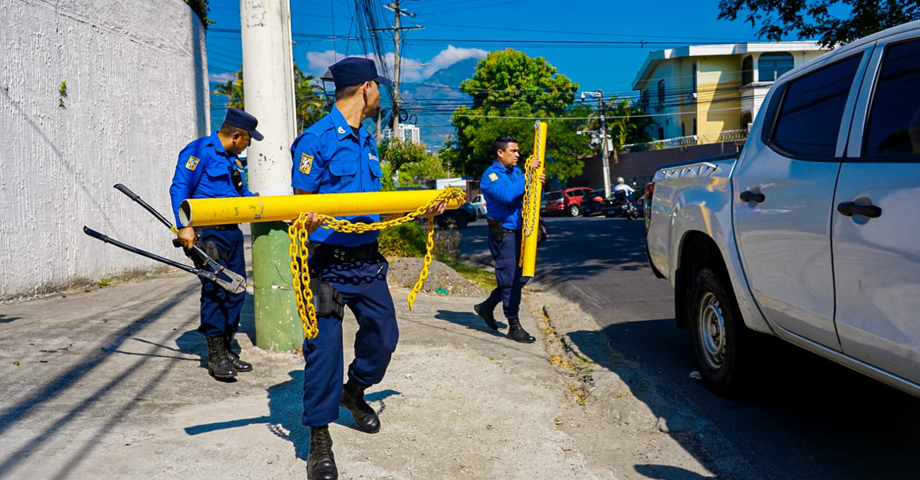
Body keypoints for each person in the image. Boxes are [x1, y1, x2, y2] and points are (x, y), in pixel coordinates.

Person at [289, 56, 444, 480]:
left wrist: (425, 206)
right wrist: (308, 216)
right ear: (366, 89)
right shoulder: (315, 140)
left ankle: (353, 392)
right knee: (324, 352)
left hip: (366, 263)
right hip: (325, 264)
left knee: (384, 336)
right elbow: (298, 203)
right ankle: (319, 437)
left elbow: (377, 201)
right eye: (379, 87)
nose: (382, 94)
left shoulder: (367, 140)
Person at [169, 108, 262, 380]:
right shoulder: (199, 151)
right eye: (248, 140)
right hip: (207, 234)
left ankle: (226, 346)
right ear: (236, 136)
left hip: (232, 233)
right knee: (216, 291)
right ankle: (215, 355)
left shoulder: (233, 161)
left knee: (236, 291)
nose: (249, 145)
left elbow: (240, 193)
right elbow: (179, 188)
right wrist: (184, 226)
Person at [474, 136, 544, 344]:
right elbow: (506, 195)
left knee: (521, 278)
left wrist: (537, 183)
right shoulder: (491, 176)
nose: (517, 154)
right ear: (500, 153)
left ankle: (487, 307)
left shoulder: (517, 172)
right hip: (504, 234)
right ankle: (514, 326)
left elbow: (527, 194)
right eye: (513, 151)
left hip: (522, 233)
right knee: (510, 280)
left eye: (517, 151)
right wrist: (529, 176)